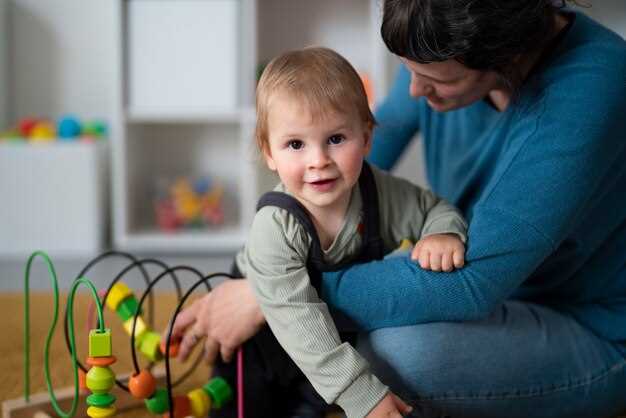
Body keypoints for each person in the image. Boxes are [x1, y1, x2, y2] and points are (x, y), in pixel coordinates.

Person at [169, 1, 626, 417]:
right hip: (497, 297)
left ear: (503, 55)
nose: (412, 91)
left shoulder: (594, 87)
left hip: (590, 328)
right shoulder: (440, 57)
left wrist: (274, 295)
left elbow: (472, 285)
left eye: (435, 78)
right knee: (357, 325)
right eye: (408, 69)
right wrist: (276, 262)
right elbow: (360, 150)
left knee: (391, 350)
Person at [170, 46, 467, 418]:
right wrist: (363, 395)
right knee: (246, 404)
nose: (318, 161)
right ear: (269, 153)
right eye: (296, 144)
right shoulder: (275, 225)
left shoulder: (380, 193)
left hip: (332, 334)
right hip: (264, 335)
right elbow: (300, 320)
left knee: (311, 404)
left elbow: (435, 210)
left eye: (336, 139)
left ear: (367, 137)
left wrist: (443, 234)